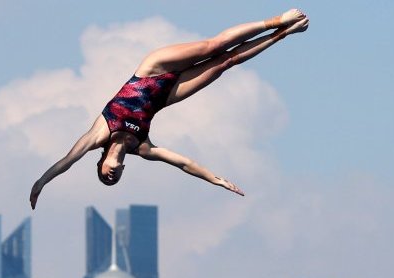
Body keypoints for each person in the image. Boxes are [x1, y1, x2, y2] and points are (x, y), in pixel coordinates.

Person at [29, 9, 308, 209]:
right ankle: (284, 33)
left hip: (152, 70)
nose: (111, 176)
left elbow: (68, 160)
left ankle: (276, 20)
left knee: (213, 46)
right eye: (115, 179)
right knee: (224, 62)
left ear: (101, 164)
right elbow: (183, 163)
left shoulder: (98, 135)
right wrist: (215, 180)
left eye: (105, 176)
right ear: (123, 170)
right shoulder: (142, 148)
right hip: (167, 94)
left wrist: (42, 182)